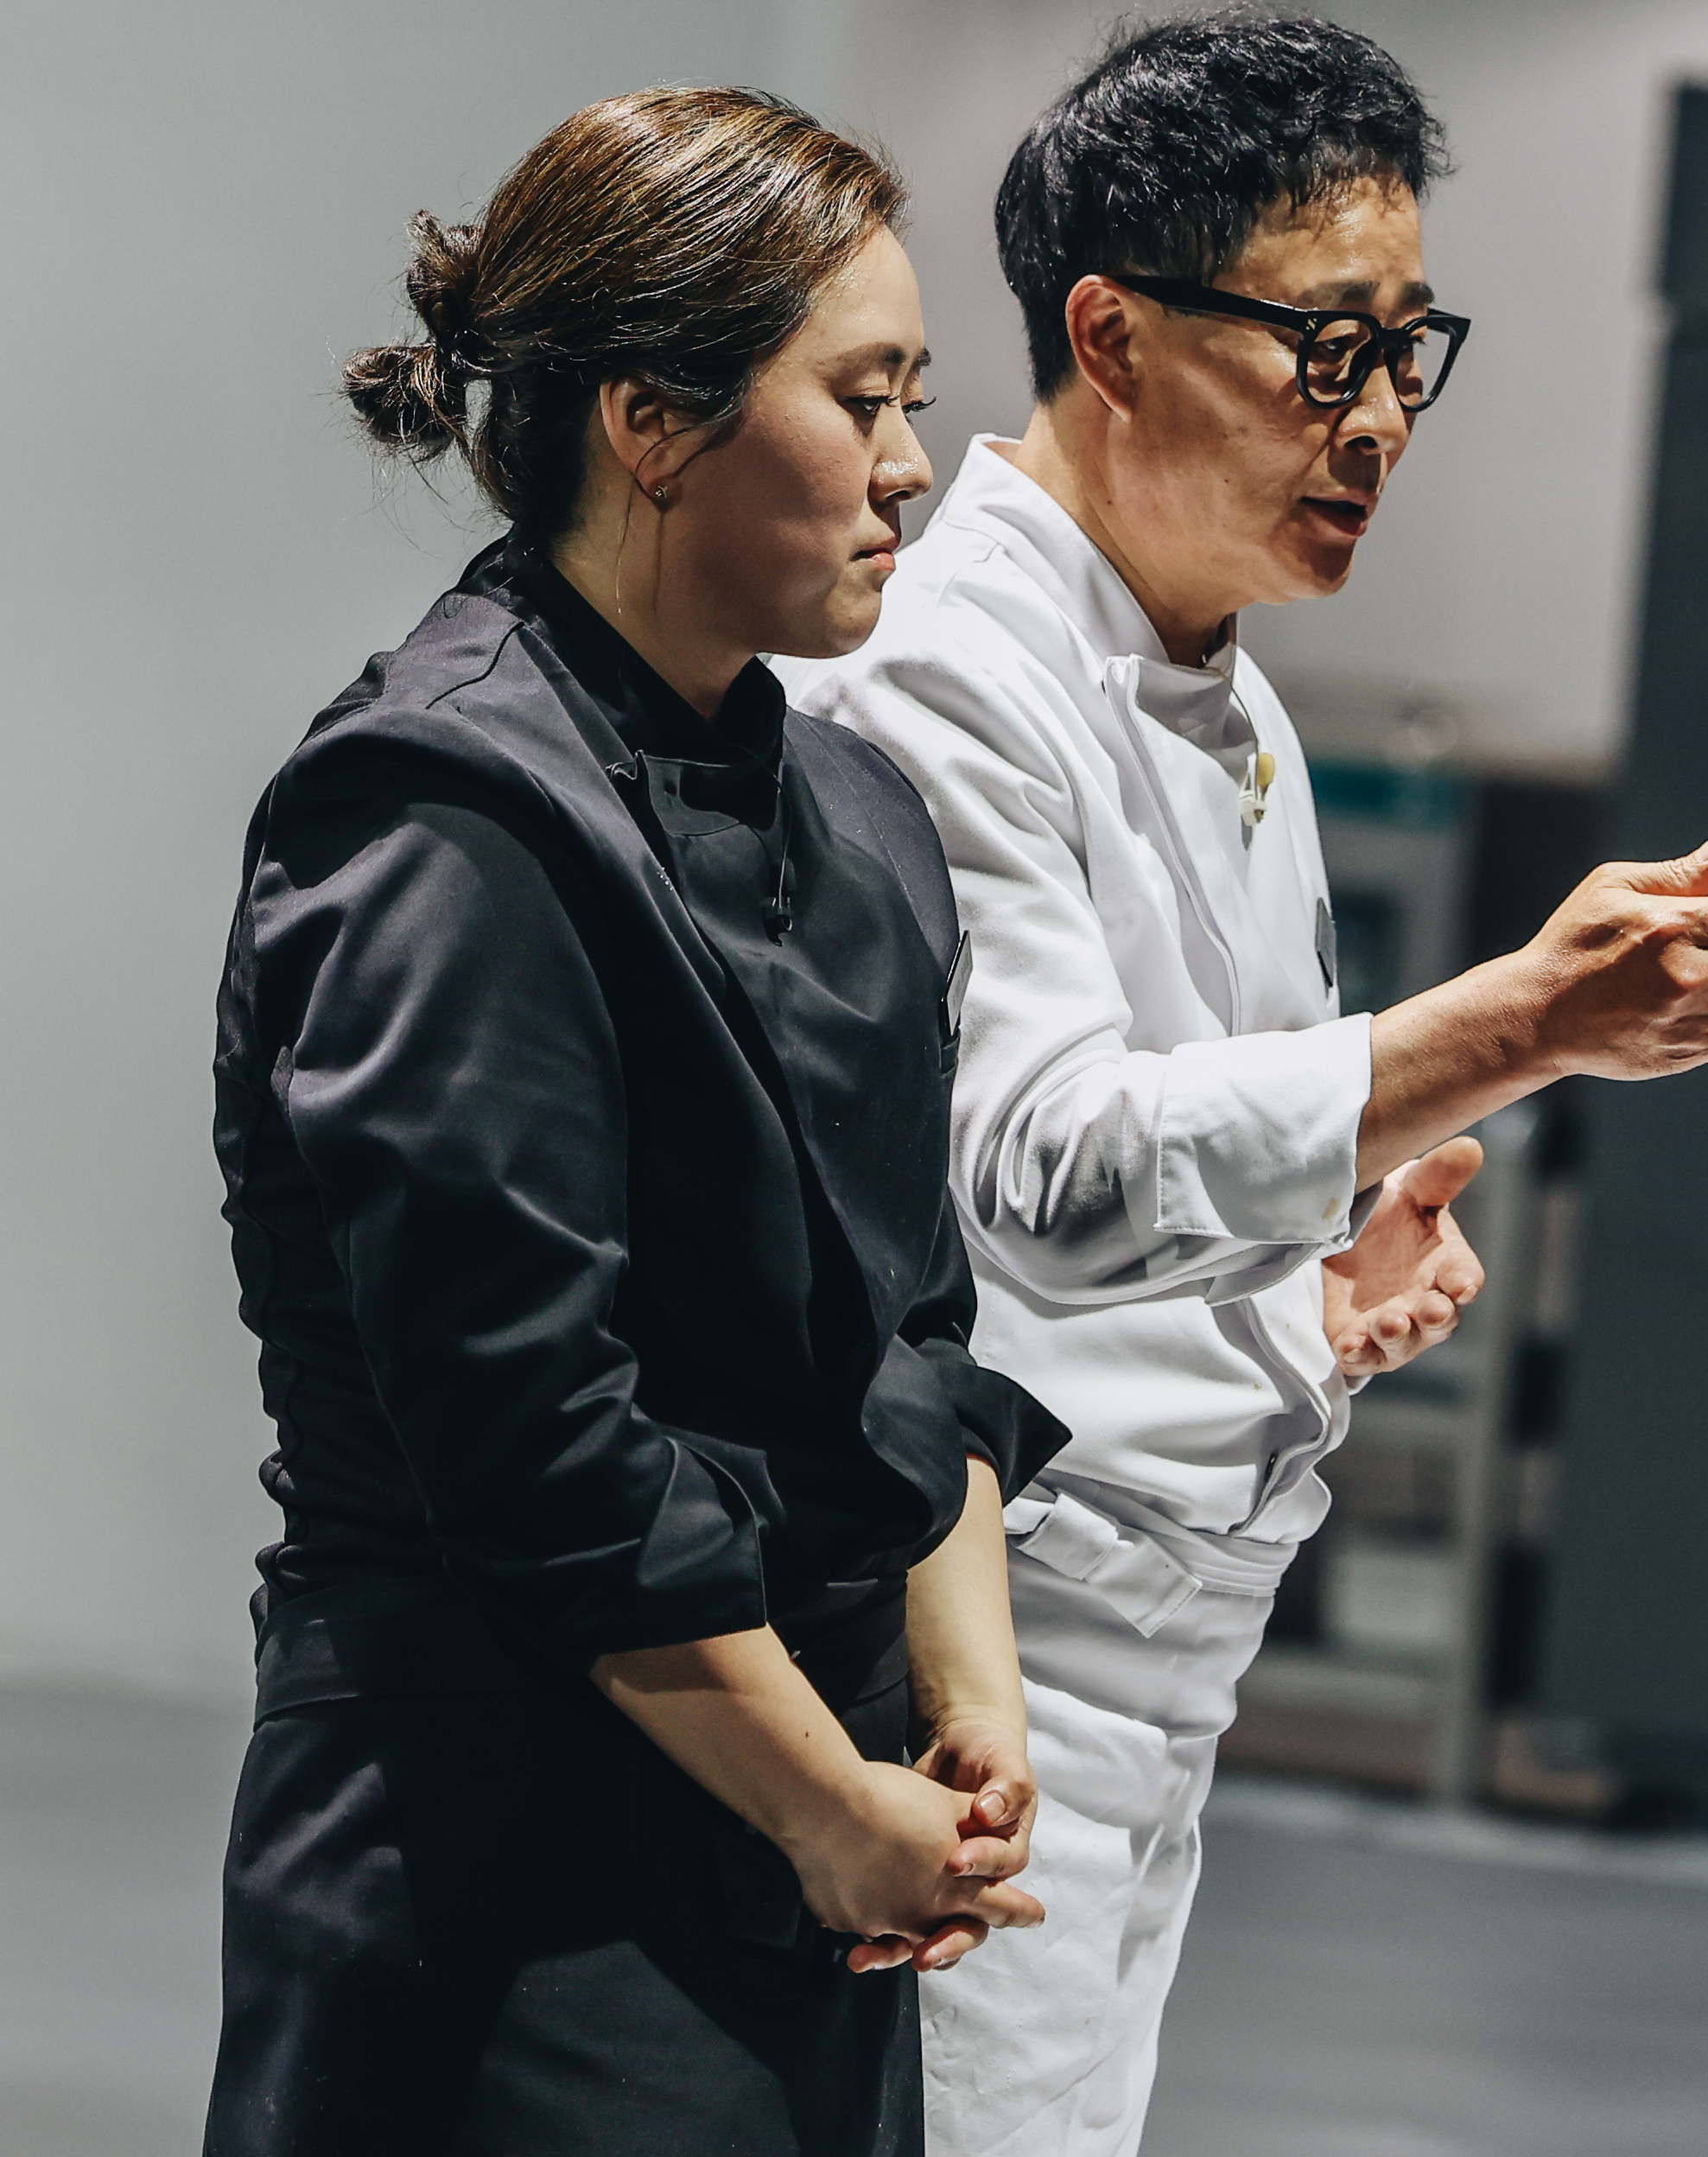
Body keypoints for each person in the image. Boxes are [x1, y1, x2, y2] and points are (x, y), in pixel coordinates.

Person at [786, 16, 1708, 2152]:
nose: (1378, 417)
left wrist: (1303, 1298)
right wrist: (1522, 1022)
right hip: (982, 1679)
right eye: (1323, 349)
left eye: (1408, 351)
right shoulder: (946, 672)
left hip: (1166, 1675)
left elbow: (1185, 1146)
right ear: (1111, 330)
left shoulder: (1236, 695)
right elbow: (1039, 1172)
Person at [205, 87, 1070, 2157]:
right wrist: (822, 1802)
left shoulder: (858, 818)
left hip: (811, 1824)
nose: (911, 468)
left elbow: (912, 1332)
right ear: (650, 420)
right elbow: (536, 1439)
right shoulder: (441, 813)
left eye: (916, 397)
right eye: (860, 399)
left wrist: (968, 1717)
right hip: (509, 1841)